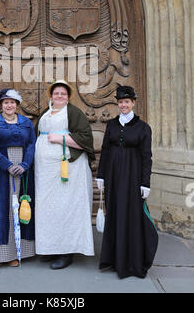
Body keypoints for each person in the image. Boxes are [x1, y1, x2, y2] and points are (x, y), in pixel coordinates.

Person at [96, 85, 158, 279]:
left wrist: (145, 183)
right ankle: (114, 260)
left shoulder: (143, 128)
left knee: (131, 217)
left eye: (127, 102)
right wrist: (101, 175)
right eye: (121, 102)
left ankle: (132, 263)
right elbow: (105, 150)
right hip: (113, 178)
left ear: (133, 103)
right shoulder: (112, 125)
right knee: (115, 214)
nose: (123, 105)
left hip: (133, 179)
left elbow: (147, 156)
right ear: (118, 103)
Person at [34, 80, 95, 269]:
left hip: (68, 169)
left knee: (65, 207)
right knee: (47, 208)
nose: (59, 96)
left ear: (68, 96)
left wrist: (60, 138)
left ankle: (66, 252)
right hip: (45, 170)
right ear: (51, 95)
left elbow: (86, 139)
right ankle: (50, 247)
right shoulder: (45, 112)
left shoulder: (74, 112)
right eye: (56, 93)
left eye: (63, 94)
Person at [0, 88, 36, 266]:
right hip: (0, 169)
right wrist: (7, 165)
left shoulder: (26, 123)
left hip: (22, 167)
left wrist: (24, 164)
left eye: (12, 102)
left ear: (17, 105)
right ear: (1, 105)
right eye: (6, 102)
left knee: (22, 205)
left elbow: (31, 145)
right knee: (1, 207)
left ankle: (20, 252)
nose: (9, 105)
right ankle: (0, 254)